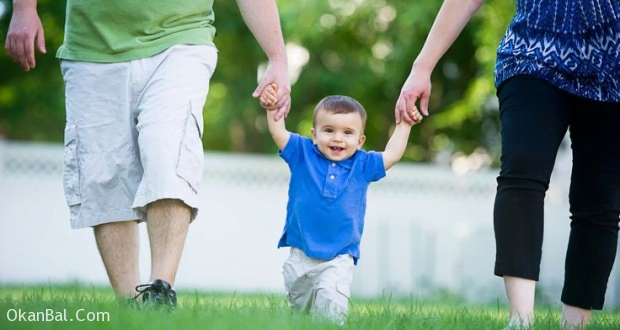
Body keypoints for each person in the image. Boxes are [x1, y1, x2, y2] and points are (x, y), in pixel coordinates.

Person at [5, 0, 291, 308]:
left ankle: (160, 291)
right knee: (105, 175)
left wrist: (277, 57)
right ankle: (131, 304)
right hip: (92, 47)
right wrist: (23, 8)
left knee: (168, 151)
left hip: (180, 38)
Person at [395, 0, 620, 328]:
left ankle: (576, 323)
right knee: (523, 171)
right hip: (532, 52)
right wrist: (422, 67)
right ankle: (520, 319)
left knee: (600, 198)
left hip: (613, 67)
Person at [260, 84, 422, 324]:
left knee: (332, 308)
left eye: (348, 132)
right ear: (314, 135)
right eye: (329, 130)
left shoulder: (363, 164)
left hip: (339, 256)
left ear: (360, 140)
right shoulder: (303, 153)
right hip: (300, 253)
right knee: (300, 314)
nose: (337, 138)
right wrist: (272, 107)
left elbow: (393, 154)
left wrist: (405, 124)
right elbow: (278, 133)